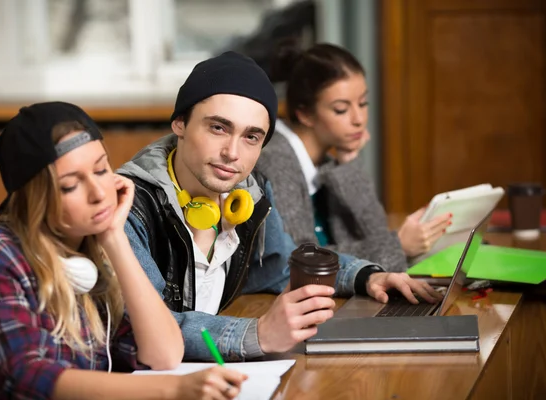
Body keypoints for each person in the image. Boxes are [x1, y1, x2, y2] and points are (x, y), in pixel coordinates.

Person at [119, 51, 443, 362]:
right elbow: (142, 328)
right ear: (179, 123)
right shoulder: (128, 208)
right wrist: (257, 333)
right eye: (218, 127)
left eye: (251, 137)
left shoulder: (250, 192)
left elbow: (284, 266)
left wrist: (367, 276)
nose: (233, 152)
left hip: (213, 373)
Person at [0, 102, 246, 400]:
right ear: (35, 198)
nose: (99, 193)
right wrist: (176, 389)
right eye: (70, 186)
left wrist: (115, 239)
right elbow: (29, 375)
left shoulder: (91, 247)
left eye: (101, 170)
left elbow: (164, 354)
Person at [258, 42, 453, 271]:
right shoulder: (275, 160)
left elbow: (375, 234)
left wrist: (349, 162)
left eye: (363, 103)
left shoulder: (327, 161)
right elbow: (297, 260)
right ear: (305, 114)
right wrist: (398, 245)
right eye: (341, 109)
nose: (358, 118)